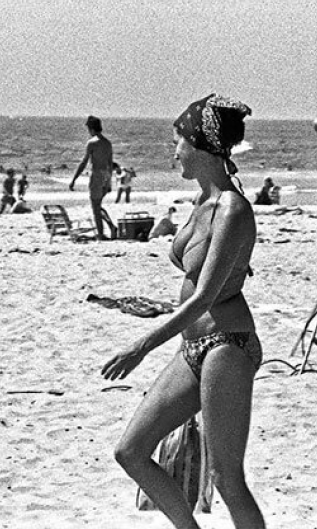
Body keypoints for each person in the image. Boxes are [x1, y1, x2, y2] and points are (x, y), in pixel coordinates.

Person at [102, 94, 265, 529]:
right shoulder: (199, 204)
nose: (173, 151)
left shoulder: (233, 209)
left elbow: (205, 296)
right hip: (192, 347)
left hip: (228, 346)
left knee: (227, 479)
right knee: (131, 451)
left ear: (200, 145)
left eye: (178, 141)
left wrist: (141, 345)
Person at [69, 116, 117, 240]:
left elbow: (84, 162)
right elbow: (110, 164)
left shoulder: (92, 143)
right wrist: (109, 182)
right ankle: (110, 227)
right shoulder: (107, 143)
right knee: (98, 205)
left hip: (96, 175)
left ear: (91, 128)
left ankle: (101, 234)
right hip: (106, 175)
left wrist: (74, 179)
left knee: (95, 207)